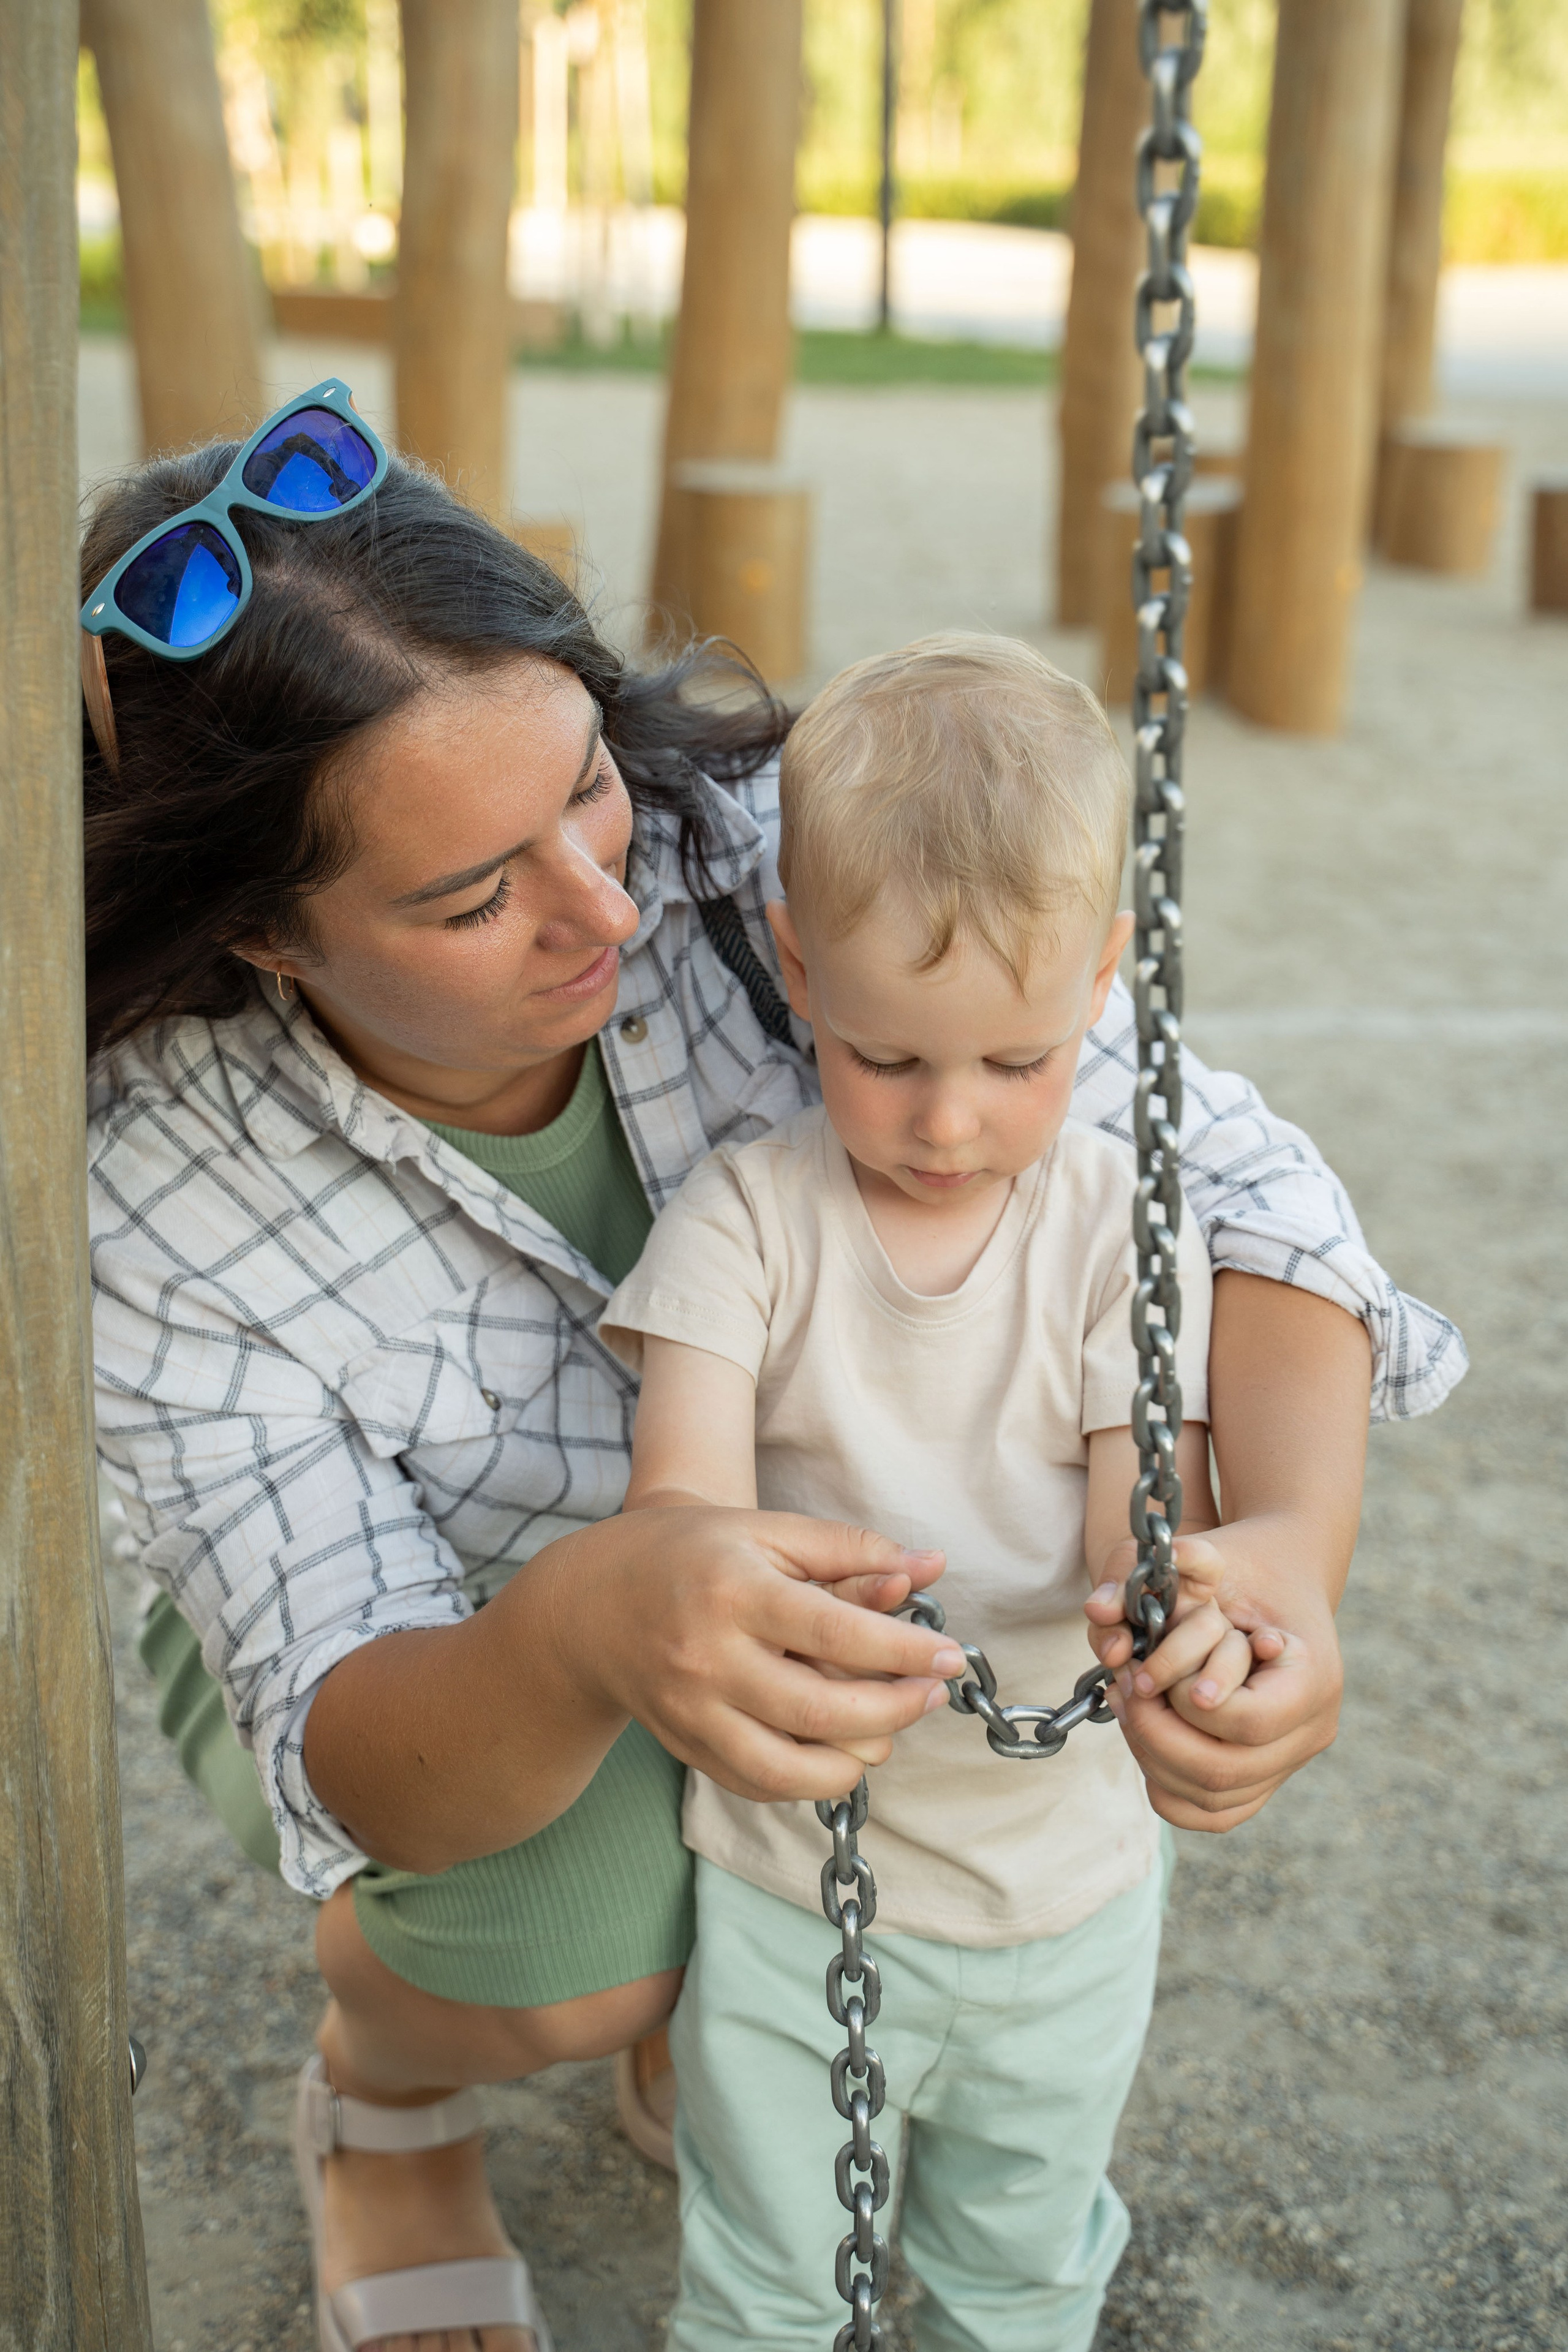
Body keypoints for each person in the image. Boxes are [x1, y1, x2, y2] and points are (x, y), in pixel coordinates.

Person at [85, 417, 1463, 2352]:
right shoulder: (154, 1181)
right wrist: (591, 1625)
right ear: (260, 935)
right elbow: (343, 1708)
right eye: (476, 900)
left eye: (589, 790)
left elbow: (1222, 1181)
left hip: (775, 1582)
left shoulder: (771, 846)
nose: (604, 910)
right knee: (580, 1948)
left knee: (811, 1851)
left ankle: (726, 2000)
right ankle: (386, 2098)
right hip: (453, 1637)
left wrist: (1291, 1554)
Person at [603, 636, 1293, 2350]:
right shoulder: (748, 1222)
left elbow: (1153, 1512)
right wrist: (729, 1573)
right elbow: (676, 1512)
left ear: (1107, 983)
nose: (950, 1125)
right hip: (792, 1877)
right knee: (765, 2273)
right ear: (800, 971)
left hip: (1060, 1883)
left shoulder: (1109, 1232)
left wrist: (1180, 1625)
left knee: (1022, 2259)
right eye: (891, 1059)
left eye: (1014, 1063)